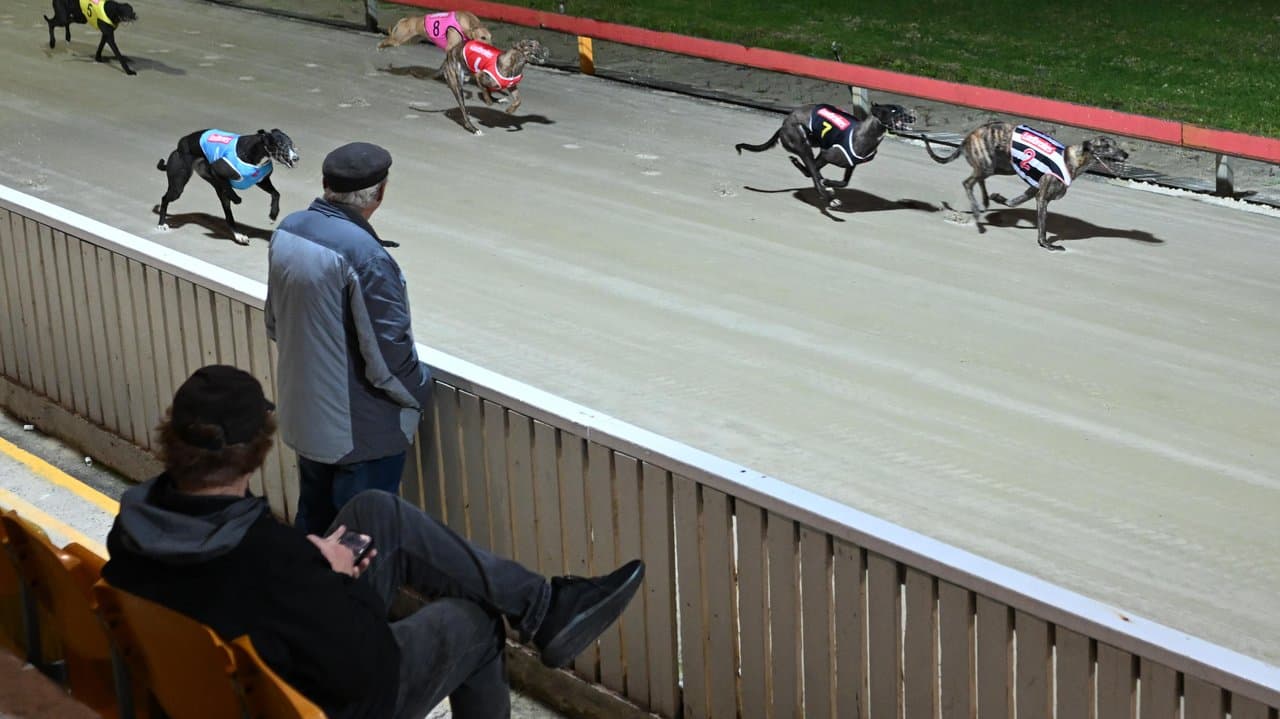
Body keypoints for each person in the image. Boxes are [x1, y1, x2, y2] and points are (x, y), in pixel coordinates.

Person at [102, 365, 646, 719]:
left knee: (373, 511)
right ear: (256, 450)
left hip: (215, 687)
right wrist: (335, 581)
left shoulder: (132, 528)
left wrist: (314, 573)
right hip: (320, 702)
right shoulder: (272, 559)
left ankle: (543, 606)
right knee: (475, 623)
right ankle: (535, 612)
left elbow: (247, 596)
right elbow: (366, 669)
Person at [266, 141, 424, 535]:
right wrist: (422, 392)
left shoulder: (288, 230)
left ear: (325, 184)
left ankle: (301, 597)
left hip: (305, 422)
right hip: (360, 436)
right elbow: (388, 362)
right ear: (380, 192)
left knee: (312, 533)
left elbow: (274, 324)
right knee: (360, 549)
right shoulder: (367, 258)